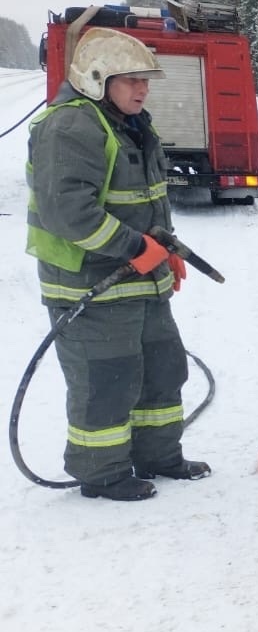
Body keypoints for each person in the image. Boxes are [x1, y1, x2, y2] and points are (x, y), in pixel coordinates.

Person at [24, 26, 207, 501]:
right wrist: (135, 249)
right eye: (130, 80)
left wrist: (167, 251)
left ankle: (159, 455)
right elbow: (70, 213)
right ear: (96, 79)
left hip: (141, 281)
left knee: (163, 370)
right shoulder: (70, 127)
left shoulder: (133, 124)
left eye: (145, 80)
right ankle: (101, 473)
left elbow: (144, 203)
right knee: (107, 381)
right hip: (91, 287)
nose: (142, 89)